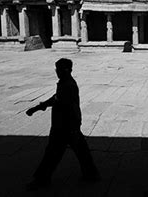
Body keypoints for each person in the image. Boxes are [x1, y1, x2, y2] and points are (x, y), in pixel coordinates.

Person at [25, 58, 100, 190]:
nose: (57, 72)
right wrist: (39, 107)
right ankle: (91, 173)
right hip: (69, 125)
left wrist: (38, 108)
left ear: (65, 70)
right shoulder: (66, 83)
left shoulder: (68, 85)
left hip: (64, 126)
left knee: (52, 153)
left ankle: (42, 179)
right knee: (81, 151)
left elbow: (62, 102)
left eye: (58, 69)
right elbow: (56, 97)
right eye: (56, 69)